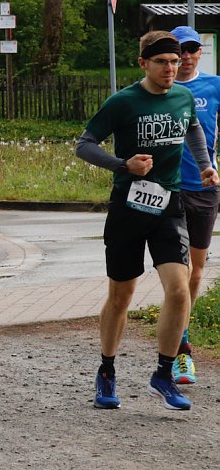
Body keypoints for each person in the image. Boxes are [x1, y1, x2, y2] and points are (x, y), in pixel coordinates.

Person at [75, 31, 218, 410]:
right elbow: (84, 144)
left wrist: (206, 166)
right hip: (129, 206)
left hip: (169, 205)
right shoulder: (123, 102)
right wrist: (124, 164)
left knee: (179, 289)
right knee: (121, 295)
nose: (171, 68)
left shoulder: (183, 97)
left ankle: (163, 376)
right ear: (143, 63)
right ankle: (107, 370)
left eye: (174, 62)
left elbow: (192, 129)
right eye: (162, 62)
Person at [168, 25, 220, 386]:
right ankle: (179, 351)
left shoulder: (214, 86)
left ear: (200, 52)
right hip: (167, 190)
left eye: (191, 49)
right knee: (176, 271)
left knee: (196, 272)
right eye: (178, 51)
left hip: (203, 189)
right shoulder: (161, 86)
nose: (185, 57)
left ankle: (180, 332)